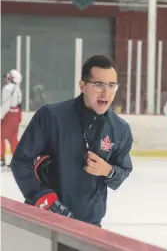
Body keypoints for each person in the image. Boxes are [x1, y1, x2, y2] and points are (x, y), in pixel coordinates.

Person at [11, 55, 133, 226]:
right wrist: (44, 199)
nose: (106, 92)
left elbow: (123, 171)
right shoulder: (51, 116)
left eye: (112, 85)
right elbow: (21, 161)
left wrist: (108, 171)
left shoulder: (120, 129)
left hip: (90, 225)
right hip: (47, 221)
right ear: (82, 86)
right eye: (99, 85)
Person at [1, 69, 23, 167]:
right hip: (17, 114)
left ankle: (1, 158)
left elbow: (5, 105)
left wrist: (0, 116)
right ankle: (18, 159)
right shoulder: (18, 89)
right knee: (13, 138)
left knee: (1, 136)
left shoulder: (7, 88)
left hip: (9, 114)